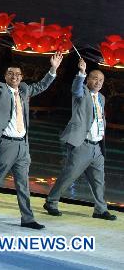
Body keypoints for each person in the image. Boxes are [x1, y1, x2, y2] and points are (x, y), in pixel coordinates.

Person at [0, 52, 58, 229]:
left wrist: (53, 69)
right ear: (5, 76)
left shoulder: (24, 89)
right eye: (11, 74)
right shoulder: (0, 89)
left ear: (21, 77)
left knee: (23, 183)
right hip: (6, 143)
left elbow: (42, 86)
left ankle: (27, 218)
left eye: (18, 75)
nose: (14, 77)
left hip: (23, 144)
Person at [44, 64, 116, 221]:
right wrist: (81, 72)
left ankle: (100, 209)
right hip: (81, 144)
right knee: (69, 175)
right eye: (95, 78)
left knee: (99, 181)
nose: (98, 82)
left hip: (97, 147)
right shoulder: (81, 92)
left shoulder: (102, 98)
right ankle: (51, 202)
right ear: (88, 80)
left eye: (101, 80)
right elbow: (76, 86)